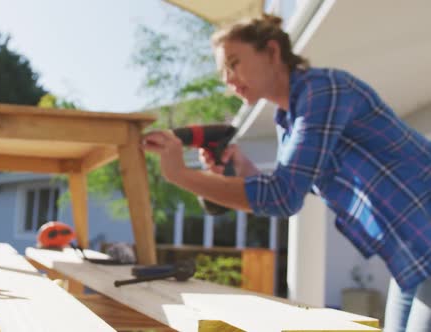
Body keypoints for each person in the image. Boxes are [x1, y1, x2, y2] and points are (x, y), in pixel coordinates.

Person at [142, 14, 431, 331]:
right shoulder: (288, 121)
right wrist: (243, 170)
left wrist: (180, 174)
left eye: (234, 62)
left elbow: (282, 196)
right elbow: (297, 185)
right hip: (414, 256)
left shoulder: (324, 91)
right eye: (223, 71)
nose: (227, 78)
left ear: (272, 51)